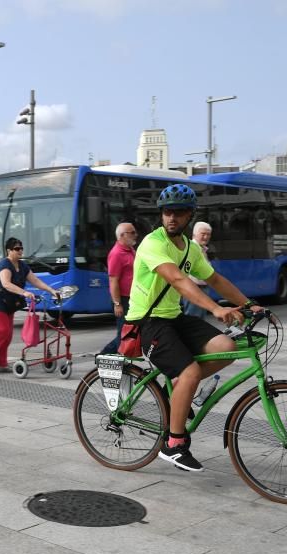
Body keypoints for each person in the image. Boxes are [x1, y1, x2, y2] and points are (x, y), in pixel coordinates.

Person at [126, 184, 261, 472]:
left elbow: (216, 280)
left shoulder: (190, 249)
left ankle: (177, 388)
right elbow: (177, 280)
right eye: (167, 211)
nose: (172, 217)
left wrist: (250, 305)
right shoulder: (153, 243)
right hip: (148, 321)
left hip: (174, 317)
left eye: (179, 212)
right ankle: (174, 444)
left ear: (190, 215)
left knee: (227, 347)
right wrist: (215, 309)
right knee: (188, 373)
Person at [0, 237, 60, 372]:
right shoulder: (5, 264)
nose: (20, 251)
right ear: (9, 250)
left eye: (21, 248)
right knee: (0, 331)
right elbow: (6, 284)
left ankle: (1, 363)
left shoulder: (22, 266)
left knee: (7, 334)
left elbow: (35, 281)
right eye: (17, 248)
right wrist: (24, 292)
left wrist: (51, 290)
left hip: (7, 305)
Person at [98, 222, 138, 355]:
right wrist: (117, 303)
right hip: (123, 300)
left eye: (134, 232)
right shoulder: (116, 254)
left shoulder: (130, 250)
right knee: (124, 334)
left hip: (133, 299)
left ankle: (119, 358)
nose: (135, 235)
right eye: (131, 233)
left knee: (131, 331)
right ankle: (103, 355)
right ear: (121, 235)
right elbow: (113, 280)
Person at [181, 221, 212, 319]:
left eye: (208, 234)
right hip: (195, 289)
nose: (206, 237)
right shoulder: (191, 249)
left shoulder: (202, 249)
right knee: (194, 320)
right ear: (194, 234)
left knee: (200, 319)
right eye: (203, 234)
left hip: (202, 289)